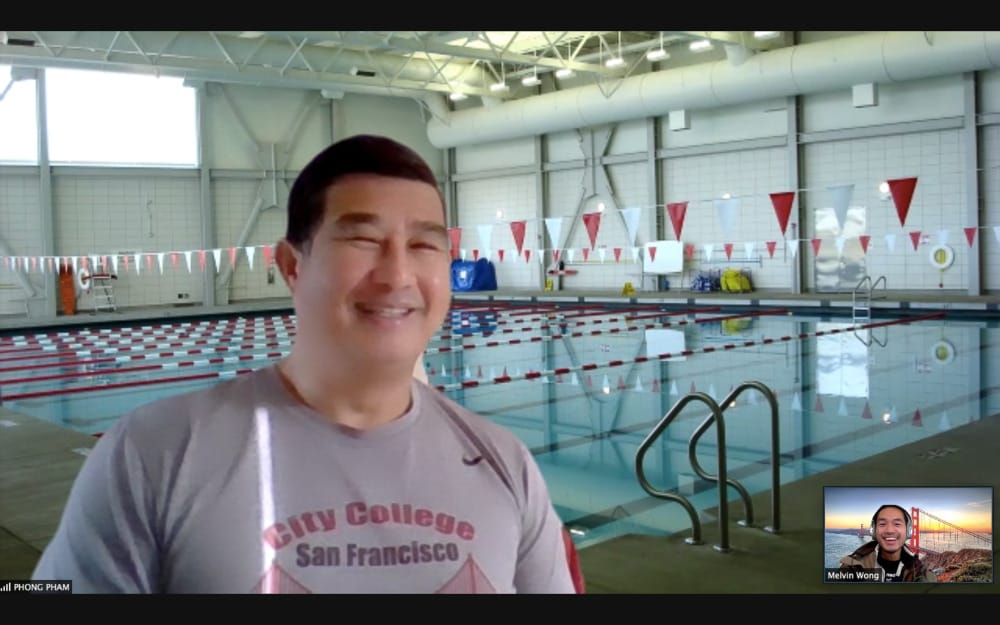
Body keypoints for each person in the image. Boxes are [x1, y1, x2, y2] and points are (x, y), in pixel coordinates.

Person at [32, 134, 576, 594]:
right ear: (292, 265)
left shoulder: (506, 464)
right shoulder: (154, 454)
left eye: (424, 245)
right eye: (364, 239)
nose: (397, 275)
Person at [839, 504, 936, 582]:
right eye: (882, 524)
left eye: (897, 524)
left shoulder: (922, 573)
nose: (890, 530)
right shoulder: (852, 568)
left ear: (908, 531)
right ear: (873, 531)